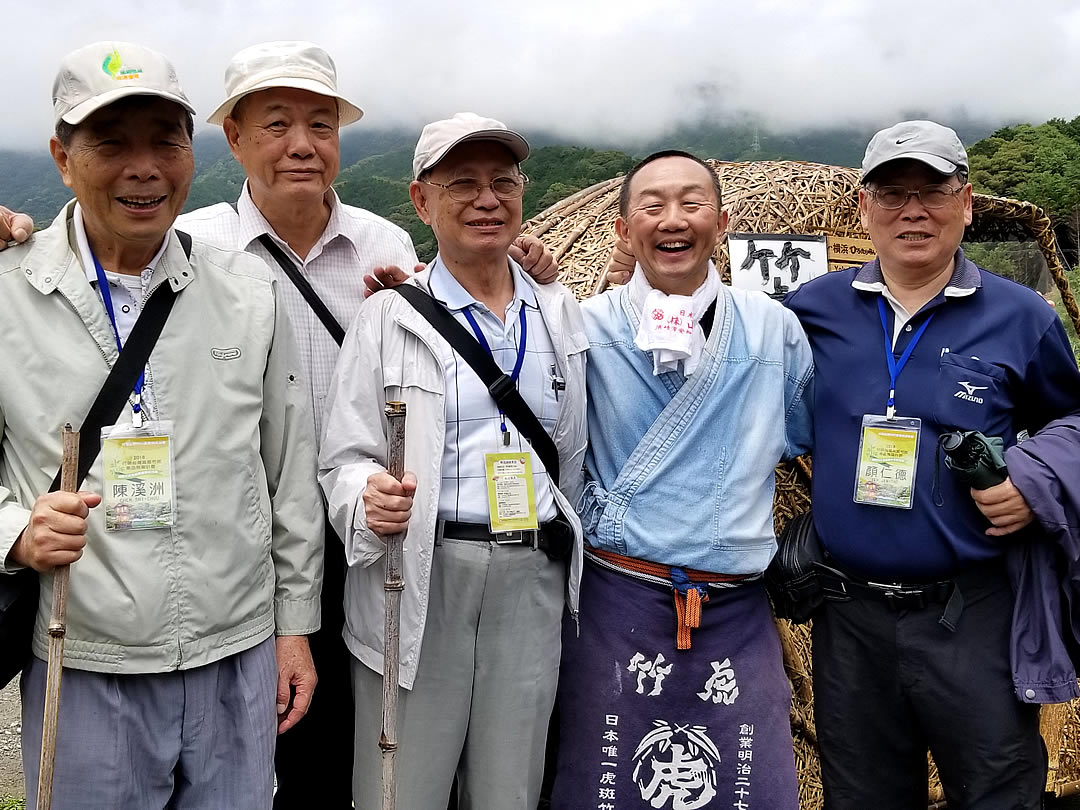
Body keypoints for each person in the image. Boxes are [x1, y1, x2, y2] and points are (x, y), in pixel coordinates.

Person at [0, 40, 557, 807]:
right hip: (158, 587)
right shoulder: (196, 251)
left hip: (354, 543)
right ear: (232, 139)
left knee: (346, 755)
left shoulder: (376, 248)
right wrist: (15, 532)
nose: (302, 144)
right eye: (276, 124)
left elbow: (460, 313)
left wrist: (526, 265)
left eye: (320, 124)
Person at [0, 41, 323, 809]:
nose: (143, 167)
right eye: (111, 142)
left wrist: (294, 625)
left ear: (191, 151)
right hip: (83, 654)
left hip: (235, 653)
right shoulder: (10, 294)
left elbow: (289, 472)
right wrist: (12, 529)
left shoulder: (247, 290)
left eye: (165, 141)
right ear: (61, 157)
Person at [784, 120, 1080, 809]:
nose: (912, 211)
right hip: (847, 615)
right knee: (863, 796)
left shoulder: (1019, 315)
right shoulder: (812, 311)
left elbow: (1072, 417)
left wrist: (1031, 482)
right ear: (863, 207)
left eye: (933, 192)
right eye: (891, 194)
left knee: (999, 791)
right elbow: (712, 347)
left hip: (972, 611)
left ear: (967, 203)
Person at [318, 112, 587, 810]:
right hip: (419, 571)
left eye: (503, 182)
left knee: (511, 786)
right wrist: (365, 494)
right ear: (421, 201)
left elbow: (580, 446)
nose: (487, 199)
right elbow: (344, 456)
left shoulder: (560, 311)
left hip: (533, 573)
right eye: (462, 183)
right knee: (400, 786)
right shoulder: (388, 316)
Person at [550, 150, 812, 810]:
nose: (673, 220)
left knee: (751, 788)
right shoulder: (584, 327)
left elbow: (809, 433)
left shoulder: (773, 329)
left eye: (692, 204)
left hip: (734, 608)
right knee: (606, 787)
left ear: (722, 222)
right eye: (652, 204)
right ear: (622, 228)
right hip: (619, 600)